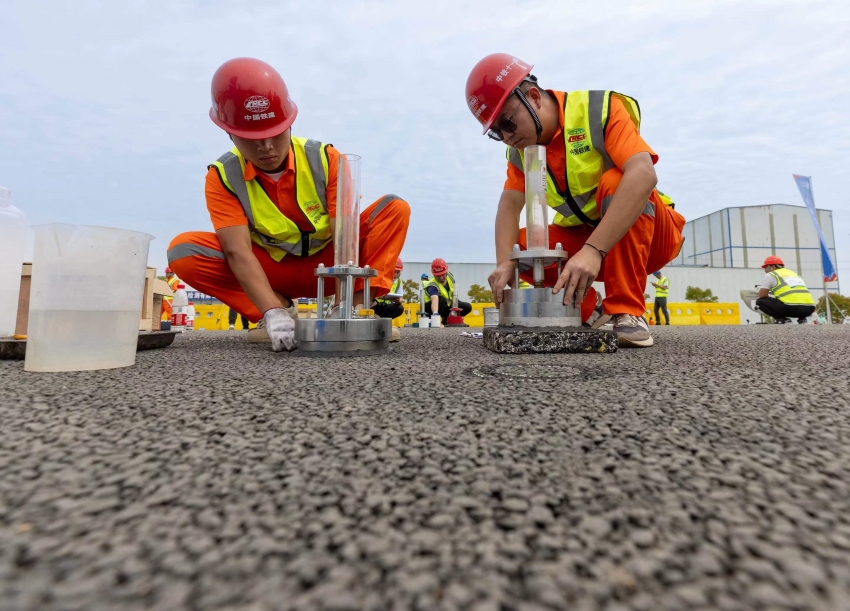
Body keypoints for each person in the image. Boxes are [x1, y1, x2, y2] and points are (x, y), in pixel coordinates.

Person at [167, 58, 410, 352]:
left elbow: (345, 243)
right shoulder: (222, 176)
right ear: (229, 132)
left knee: (394, 209)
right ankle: (276, 310)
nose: (266, 146)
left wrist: (344, 312)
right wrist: (273, 312)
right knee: (184, 251)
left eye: (275, 133)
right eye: (252, 138)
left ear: (290, 123)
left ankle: (355, 309)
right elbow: (237, 251)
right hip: (270, 272)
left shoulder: (326, 159)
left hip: (330, 266)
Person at [466, 54, 686, 347]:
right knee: (520, 250)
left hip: (650, 236)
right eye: (496, 133)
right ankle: (589, 309)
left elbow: (644, 175)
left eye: (507, 123)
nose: (507, 137)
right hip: (591, 245)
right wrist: (503, 262)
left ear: (533, 97)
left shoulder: (599, 110)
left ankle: (627, 311)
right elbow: (508, 204)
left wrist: (594, 250)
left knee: (616, 181)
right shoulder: (520, 153)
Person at [756, 256, 815, 324]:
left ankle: (782, 319)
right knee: (796, 299)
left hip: (791, 309)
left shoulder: (771, 275)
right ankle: (802, 319)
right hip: (809, 308)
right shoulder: (794, 274)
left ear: (773, 267)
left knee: (760, 302)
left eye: (766, 268)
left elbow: (762, 295)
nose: (765, 270)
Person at [425, 258, 472, 323]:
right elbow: (434, 299)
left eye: (443, 274)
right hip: (432, 307)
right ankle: (432, 320)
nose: (441, 277)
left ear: (446, 271)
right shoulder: (432, 285)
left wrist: (454, 309)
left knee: (467, 307)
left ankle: (447, 320)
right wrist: (435, 314)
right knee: (441, 300)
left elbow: (453, 292)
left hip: (447, 305)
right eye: (438, 276)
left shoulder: (450, 276)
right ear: (434, 274)